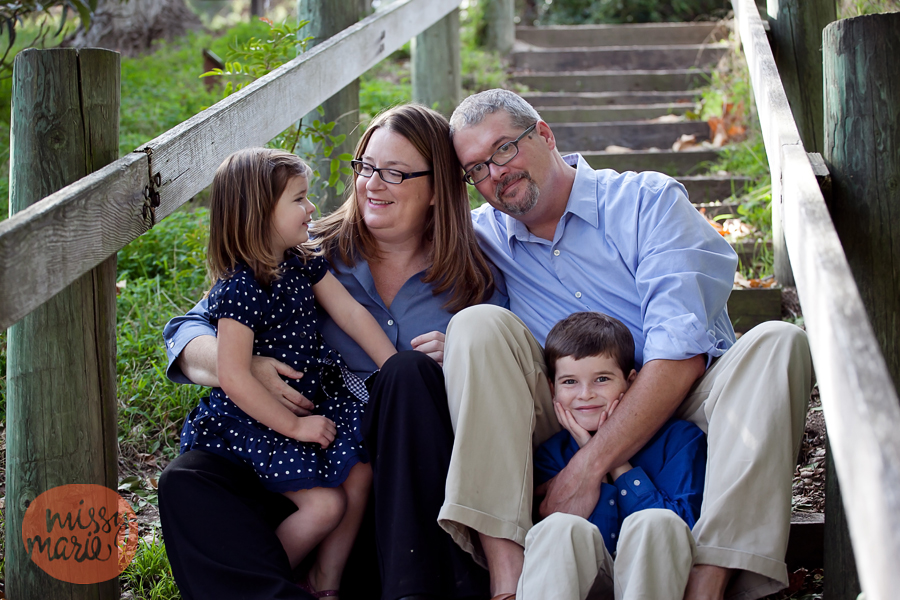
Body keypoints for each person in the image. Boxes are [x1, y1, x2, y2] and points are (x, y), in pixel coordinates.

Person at [439, 89, 813, 600]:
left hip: (685, 404)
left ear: (544, 134)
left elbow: (680, 354)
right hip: (569, 410)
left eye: (505, 149)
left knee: (779, 342)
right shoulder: (483, 240)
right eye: (476, 168)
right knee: (475, 326)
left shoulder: (647, 201)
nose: (495, 173)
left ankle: (708, 579)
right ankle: (510, 578)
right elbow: (388, 228)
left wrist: (587, 469)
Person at [160, 105, 502, 600]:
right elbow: (187, 329)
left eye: (395, 173)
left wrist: (470, 356)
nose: (372, 185)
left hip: (410, 493)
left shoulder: (473, 276)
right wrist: (244, 366)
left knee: (406, 374)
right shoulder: (303, 251)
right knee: (186, 480)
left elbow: (516, 372)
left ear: (436, 189)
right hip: (304, 458)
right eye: (365, 166)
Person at [178, 147, 399, 597]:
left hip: (310, 402)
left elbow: (351, 314)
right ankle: (265, 583)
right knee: (323, 506)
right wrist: (295, 426)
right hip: (257, 419)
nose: (311, 207)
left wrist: (395, 369)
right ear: (259, 213)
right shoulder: (241, 288)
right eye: (299, 199)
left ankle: (326, 582)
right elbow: (235, 377)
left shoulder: (302, 260)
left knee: (360, 472)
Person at [522, 311, 706, 600]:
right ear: (552, 389)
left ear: (632, 382)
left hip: (655, 583)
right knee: (560, 527)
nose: (585, 395)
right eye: (570, 382)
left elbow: (683, 528)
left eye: (602, 379)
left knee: (656, 522)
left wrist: (611, 458)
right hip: (582, 585)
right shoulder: (550, 456)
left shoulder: (679, 441)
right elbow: (549, 542)